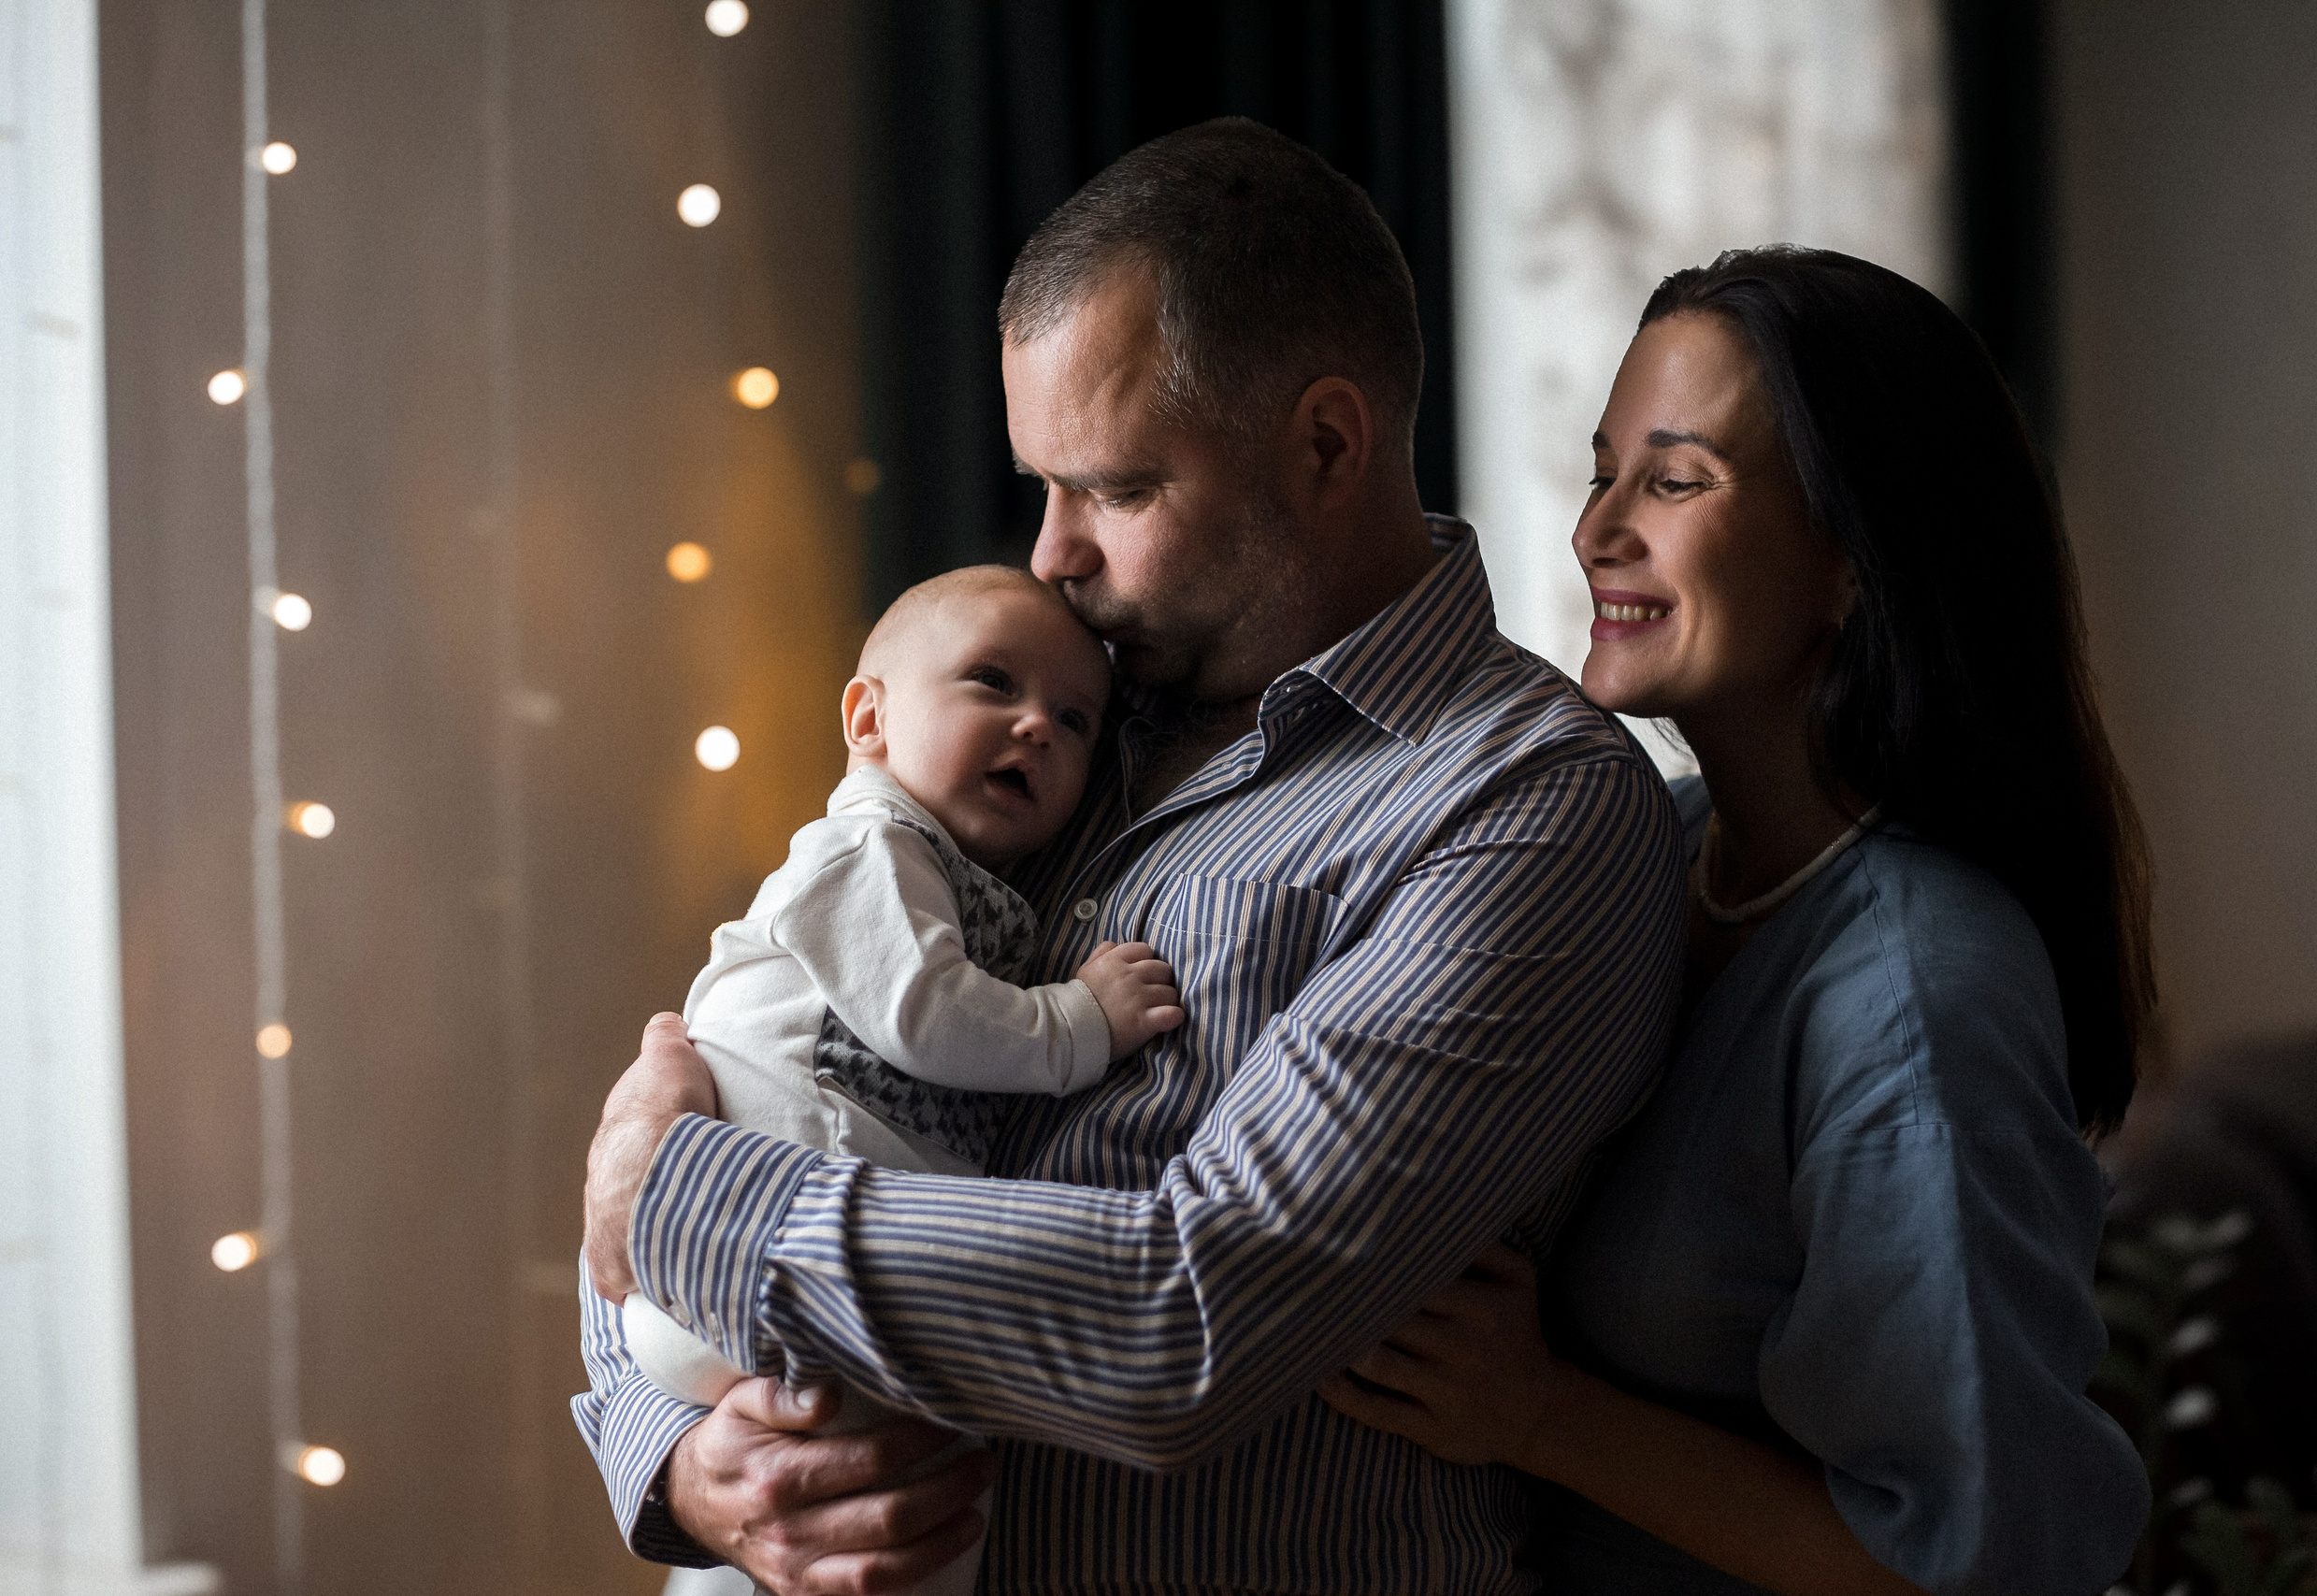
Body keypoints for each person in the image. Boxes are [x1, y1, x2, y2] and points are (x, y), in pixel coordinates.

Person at [574, 118, 1684, 1595]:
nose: (1050, 555)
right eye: (1042, 485)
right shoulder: (1038, 712)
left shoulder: (1527, 807)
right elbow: (730, 1066)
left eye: (1115, 489)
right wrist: (678, 1458)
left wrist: (684, 1203)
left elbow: (1187, 1322)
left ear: (1328, 442)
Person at [1318, 248, 2155, 1593]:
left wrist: (1539, 1412)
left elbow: (1980, 1565)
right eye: (1603, 471)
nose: (1596, 530)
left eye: (1676, 477)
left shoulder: (1919, 997)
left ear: (1856, 557)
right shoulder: (1661, 846)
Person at [588, 566, 1184, 1596]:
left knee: (895, 1529)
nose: (1038, 726)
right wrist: (1079, 1021)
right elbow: (925, 1010)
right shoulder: (865, 846)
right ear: (868, 718)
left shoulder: (950, 866)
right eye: (992, 683)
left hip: (793, 1287)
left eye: (1077, 719)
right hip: (739, 1271)